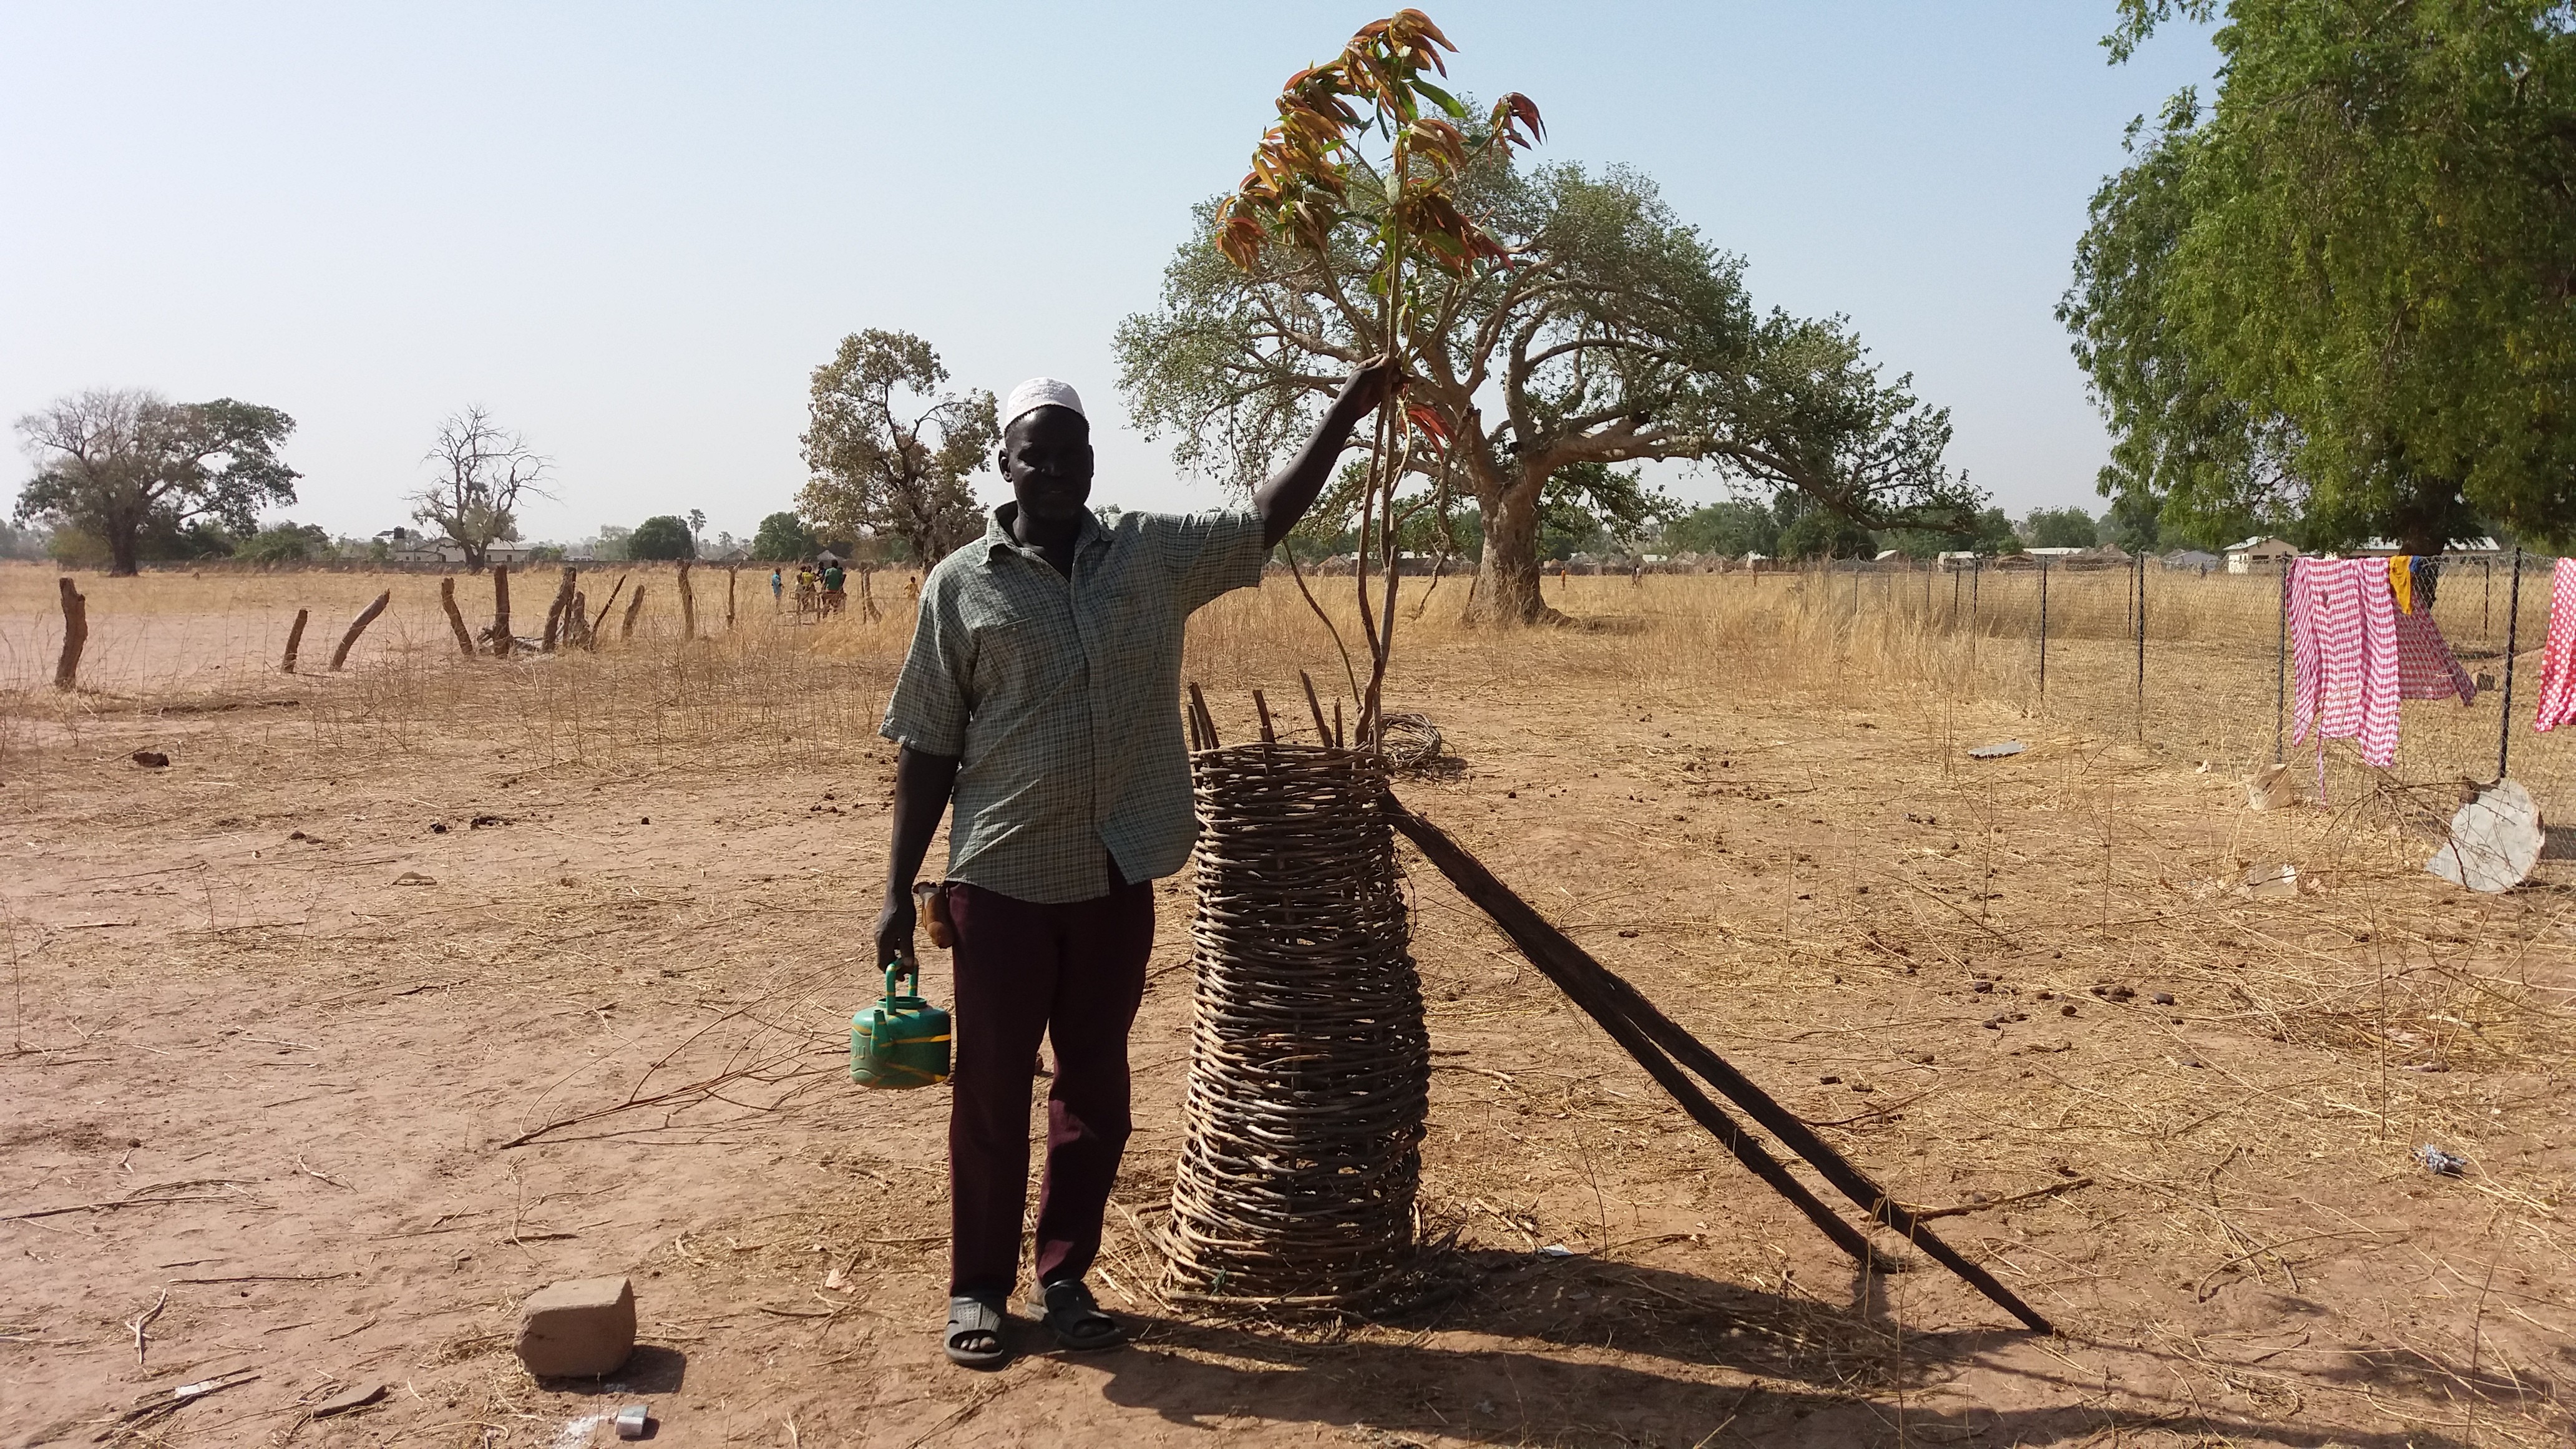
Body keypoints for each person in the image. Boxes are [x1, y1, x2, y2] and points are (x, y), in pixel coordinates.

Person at [877, 361, 1400, 1369]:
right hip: (999, 880)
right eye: (1037, 455)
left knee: (1096, 1089)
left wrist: (1346, 410)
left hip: (1116, 875)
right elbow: (928, 748)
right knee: (989, 1088)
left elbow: (1262, 521)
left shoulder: (1151, 555)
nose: (1056, 472)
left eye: (1071, 454)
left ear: (1090, 461)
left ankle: (1065, 1272)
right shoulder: (960, 587)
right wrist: (897, 889)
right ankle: (978, 1288)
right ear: (1006, 464)